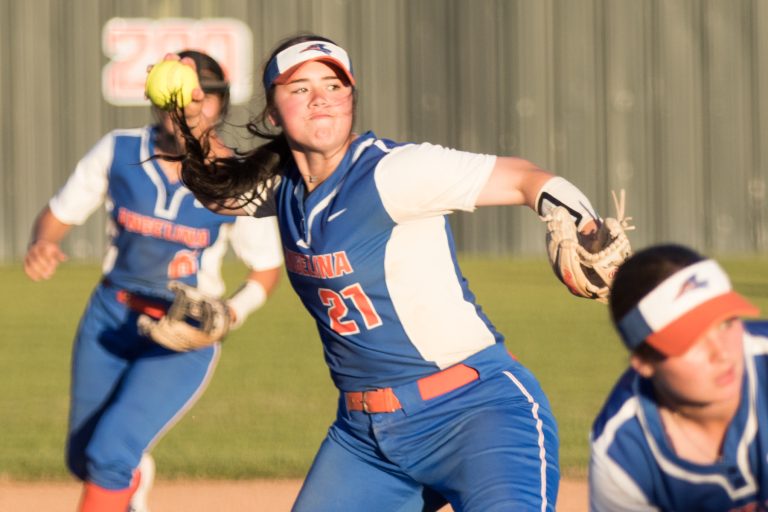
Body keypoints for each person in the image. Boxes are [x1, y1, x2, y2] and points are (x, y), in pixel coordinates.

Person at [166, 34, 608, 512]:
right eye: (299, 88)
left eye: (334, 86)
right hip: (366, 440)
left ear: (352, 98)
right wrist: (187, 113)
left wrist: (577, 219)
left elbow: (524, 178)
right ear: (273, 111)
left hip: (475, 415)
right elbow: (219, 190)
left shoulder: (395, 172)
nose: (320, 99)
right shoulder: (286, 189)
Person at [23, 50, 283, 512]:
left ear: (219, 105)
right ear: (158, 98)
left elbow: (265, 266)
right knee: (84, 457)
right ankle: (133, 479)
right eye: (178, 95)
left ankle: (125, 471)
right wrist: (43, 243)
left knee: (110, 455)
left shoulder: (233, 176)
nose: (187, 108)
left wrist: (230, 313)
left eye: (202, 97)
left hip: (184, 332)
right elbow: (57, 216)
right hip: (110, 315)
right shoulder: (120, 150)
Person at [589, 243, 767, 511]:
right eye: (691, 340)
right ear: (644, 362)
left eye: (725, 322)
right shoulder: (623, 455)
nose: (721, 353)